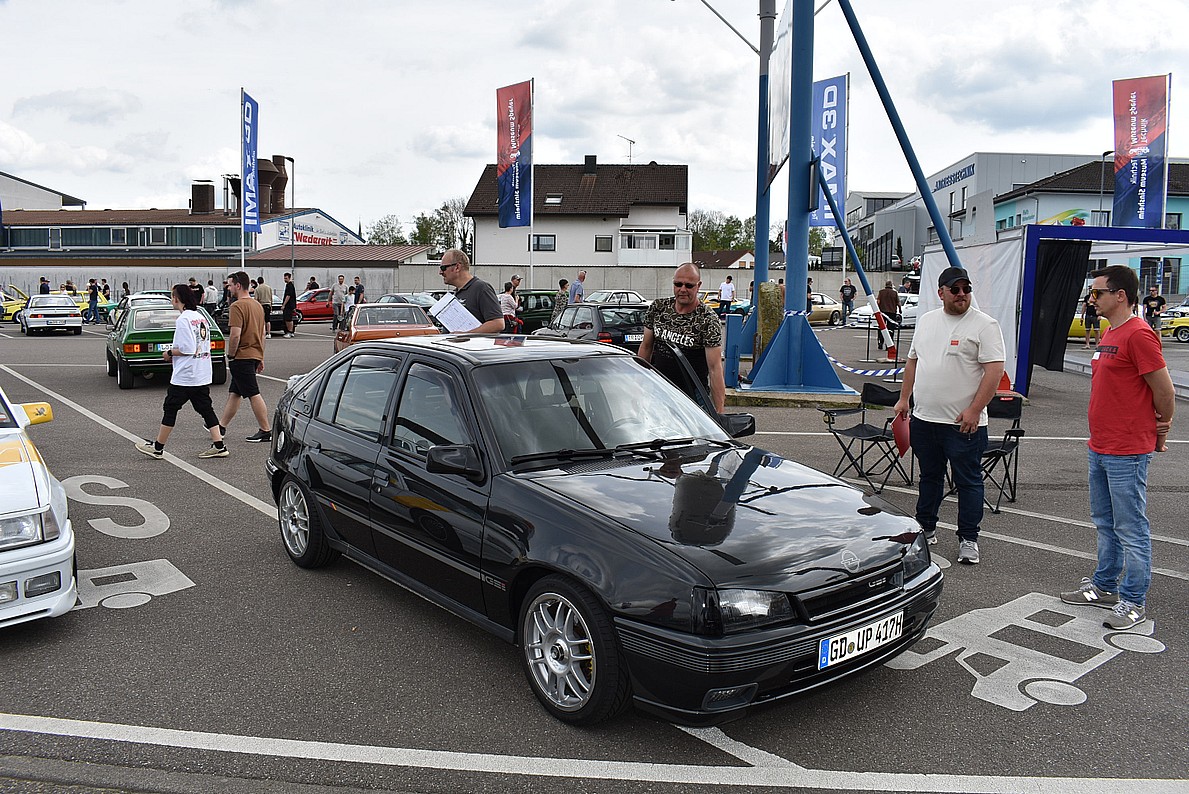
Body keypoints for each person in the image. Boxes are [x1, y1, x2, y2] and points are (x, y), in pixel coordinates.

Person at [1059, 265, 1174, 630]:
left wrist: (1161, 429)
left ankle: (1134, 601)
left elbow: (1165, 391)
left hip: (1126, 449)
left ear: (1120, 295)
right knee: (1105, 522)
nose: (1092, 299)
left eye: (1097, 293)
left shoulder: (1138, 334)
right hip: (1101, 445)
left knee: (1130, 527)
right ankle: (1105, 585)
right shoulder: (1111, 332)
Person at [893, 266, 1006, 565]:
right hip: (925, 419)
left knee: (968, 481)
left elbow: (995, 371)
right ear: (940, 292)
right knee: (929, 477)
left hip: (963, 424)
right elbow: (913, 362)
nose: (961, 294)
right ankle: (925, 527)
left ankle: (968, 538)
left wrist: (975, 410)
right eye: (955, 289)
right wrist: (904, 399)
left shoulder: (985, 325)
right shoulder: (927, 321)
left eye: (966, 289)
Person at [135, 284, 227, 460]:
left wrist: (169, 353)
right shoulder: (200, 317)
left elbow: (187, 348)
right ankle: (219, 445)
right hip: (201, 372)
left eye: (172, 296)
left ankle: (158, 448)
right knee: (206, 409)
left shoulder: (183, 319)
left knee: (170, 408)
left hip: (186, 375)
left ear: (177, 299)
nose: (171, 300)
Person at [638, 263, 726, 414]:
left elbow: (715, 369)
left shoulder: (708, 320)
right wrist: (638, 385)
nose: (683, 289)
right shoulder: (658, 308)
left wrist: (719, 412)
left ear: (698, 286)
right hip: (659, 389)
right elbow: (646, 347)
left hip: (692, 396)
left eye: (689, 285)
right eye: (678, 284)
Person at [218, 271, 272, 443]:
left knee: (253, 393)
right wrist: (260, 356)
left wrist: (231, 355)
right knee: (235, 392)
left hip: (242, 356)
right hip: (254, 354)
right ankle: (221, 426)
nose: (228, 288)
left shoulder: (237, 306)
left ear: (238, 285)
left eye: (230, 285)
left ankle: (265, 430)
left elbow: (235, 335)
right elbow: (262, 334)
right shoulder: (257, 305)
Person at [439, 248, 504, 333]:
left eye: (443, 268)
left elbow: (498, 323)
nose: (440, 272)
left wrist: (466, 335)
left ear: (457, 267)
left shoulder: (481, 288)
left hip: (472, 342)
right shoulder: (456, 293)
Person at [876, 280, 901, 349]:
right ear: (891, 285)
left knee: (881, 327)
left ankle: (880, 342)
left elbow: (878, 302)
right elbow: (898, 303)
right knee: (891, 328)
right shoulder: (894, 293)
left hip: (883, 312)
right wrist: (900, 309)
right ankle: (889, 344)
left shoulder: (881, 292)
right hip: (892, 312)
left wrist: (877, 309)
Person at [281, 272, 297, 338]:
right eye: (284, 278)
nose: (285, 279)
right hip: (290, 305)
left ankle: (289, 332)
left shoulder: (289, 286)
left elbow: (288, 296)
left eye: (286, 278)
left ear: (289, 278)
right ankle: (291, 332)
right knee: (289, 318)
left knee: (288, 319)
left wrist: (284, 305)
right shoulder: (289, 285)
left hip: (288, 305)